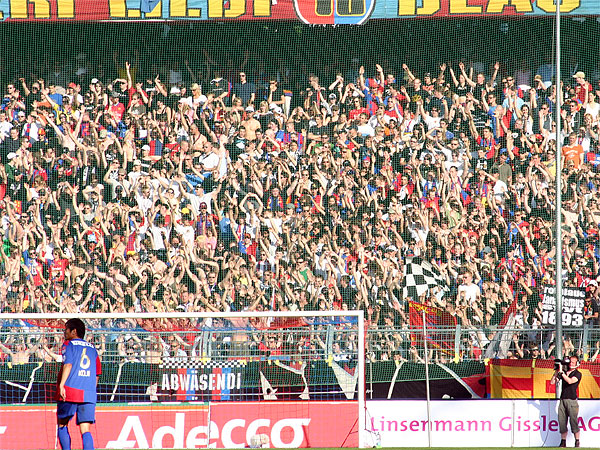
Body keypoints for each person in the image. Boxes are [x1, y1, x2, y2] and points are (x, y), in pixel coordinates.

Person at [56, 318, 101, 450]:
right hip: (88, 393)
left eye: (66, 329)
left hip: (71, 390)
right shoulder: (93, 348)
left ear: (74, 331)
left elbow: (68, 364)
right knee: (85, 429)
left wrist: (61, 385)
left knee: (62, 424)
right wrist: (91, 390)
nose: (64, 332)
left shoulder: (68, 344)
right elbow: (97, 373)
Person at [551, 355, 582, 448]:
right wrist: (557, 371)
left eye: (573, 362)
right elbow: (552, 382)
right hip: (563, 399)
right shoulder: (564, 372)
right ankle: (563, 441)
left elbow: (570, 381)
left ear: (577, 363)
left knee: (573, 422)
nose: (570, 364)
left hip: (572, 400)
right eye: (570, 362)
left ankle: (577, 441)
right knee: (562, 421)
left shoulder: (577, 374)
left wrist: (562, 373)